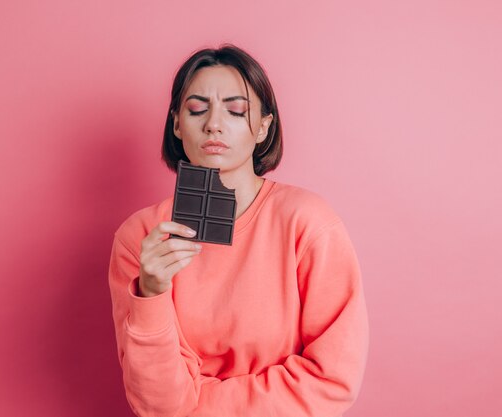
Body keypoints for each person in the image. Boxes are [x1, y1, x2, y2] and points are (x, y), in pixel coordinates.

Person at [108, 43, 369, 417]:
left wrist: (199, 404)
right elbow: (159, 404)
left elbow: (332, 379)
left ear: (264, 126)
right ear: (177, 123)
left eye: (236, 110)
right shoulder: (140, 238)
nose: (214, 123)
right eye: (197, 108)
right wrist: (150, 293)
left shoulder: (307, 222)